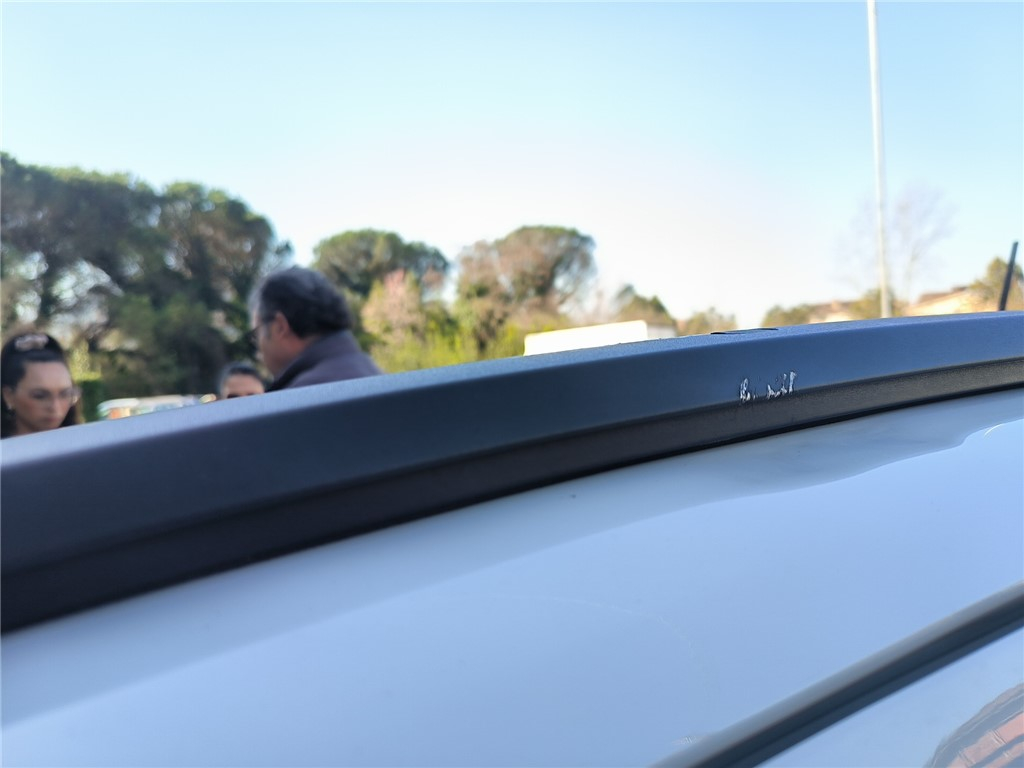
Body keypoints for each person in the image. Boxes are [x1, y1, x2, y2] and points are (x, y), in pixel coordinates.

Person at [248, 266, 381, 391]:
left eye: (256, 334)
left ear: (280, 326)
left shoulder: (299, 398)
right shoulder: (374, 375)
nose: (258, 353)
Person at [1, 332, 82, 439]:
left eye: (65, 394)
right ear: (8, 396)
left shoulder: (85, 443)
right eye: (40, 396)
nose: (55, 407)